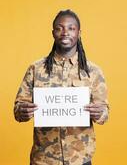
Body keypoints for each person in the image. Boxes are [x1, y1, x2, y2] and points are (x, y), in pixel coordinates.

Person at [14, 9, 109, 165]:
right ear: (53, 33)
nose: (65, 32)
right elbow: (17, 111)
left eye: (71, 28)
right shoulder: (36, 69)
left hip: (80, 159)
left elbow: (105, 114)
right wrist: (23, 111)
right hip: (43, 160)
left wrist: (99, 113)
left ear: (79, 33)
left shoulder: (93, 72)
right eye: (60, 28)